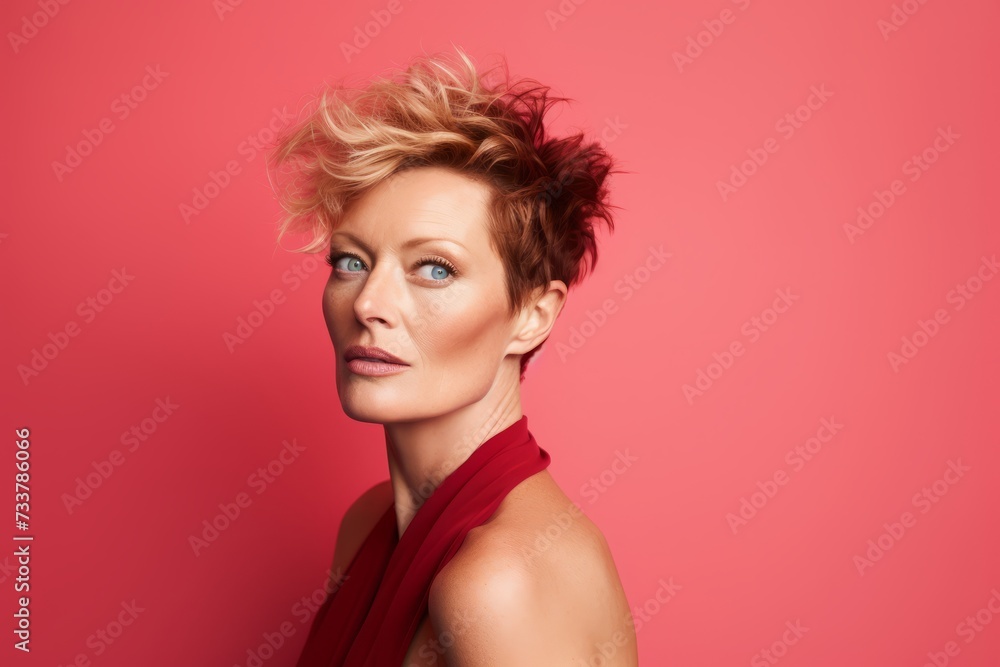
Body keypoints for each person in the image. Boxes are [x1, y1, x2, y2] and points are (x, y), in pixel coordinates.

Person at [268, 45, 637, 666]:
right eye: (351, 261)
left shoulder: (498, 583)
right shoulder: (368, 525)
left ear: (532, 314)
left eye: (433, 268)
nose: (368, 304)